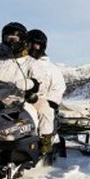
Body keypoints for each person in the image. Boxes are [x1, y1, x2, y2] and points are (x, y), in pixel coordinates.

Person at [25, 29, 67, 160]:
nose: (32, 47)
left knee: (45, 110)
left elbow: (58, 87)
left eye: (36, 45)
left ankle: (45, 141)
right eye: (30, 44)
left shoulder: (51, 68)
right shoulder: (19, 62)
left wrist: (50, 101)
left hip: (38, 99)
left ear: (42, 46)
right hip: (18, 98)